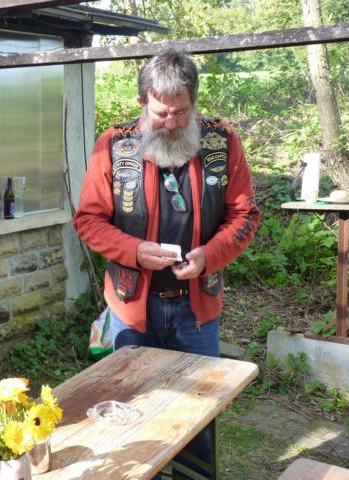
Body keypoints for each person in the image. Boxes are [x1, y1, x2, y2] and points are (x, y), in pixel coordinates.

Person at [73, 49, 260, 479]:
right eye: (161, 113)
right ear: (142, 102)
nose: (172, 123)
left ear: (194, 102)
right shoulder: (113, 145)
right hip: (132, 310)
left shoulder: (221, 141)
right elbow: (88, 220)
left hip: (197, 311)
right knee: (132, 412)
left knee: (197, 412)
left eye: (181, 112)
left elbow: (245, 214)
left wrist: (208, 256)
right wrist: (136, 251)